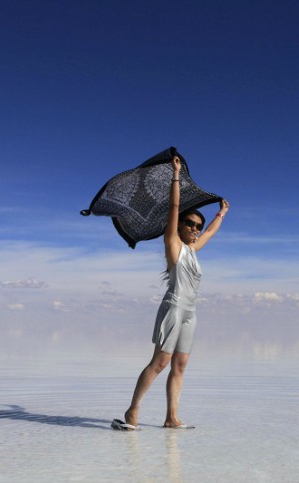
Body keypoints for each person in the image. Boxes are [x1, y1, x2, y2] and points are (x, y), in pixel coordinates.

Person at [112, 156, 229, 430]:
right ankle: (132, 411)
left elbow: (210, 233)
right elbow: (175, 207)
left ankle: (171, 417)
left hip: (191, 312)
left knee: (180, 365)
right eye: (190, 224)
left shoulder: (193, 250)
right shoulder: (173, 245)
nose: (195, 229)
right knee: (160, 362)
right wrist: (176, 175)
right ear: (179, 226)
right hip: (174, 308)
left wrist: (221, 214)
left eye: (197, 226)